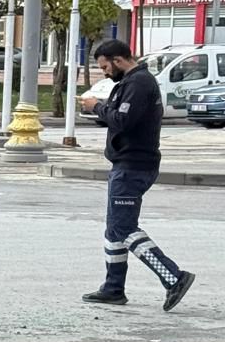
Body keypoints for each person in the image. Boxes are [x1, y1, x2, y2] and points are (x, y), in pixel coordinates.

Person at [80, 40, 195, 311]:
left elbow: (122, 120)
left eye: (105, 67)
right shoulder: (131, 83)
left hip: (133, 166)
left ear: (118, 60)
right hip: (126, 164)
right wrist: (104, 106)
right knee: (114, 229)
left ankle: (174, 277)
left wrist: (96, 107)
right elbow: (122, 114)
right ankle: (113, 288)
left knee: (123, 228)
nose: (105, 72)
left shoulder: (139, 83)